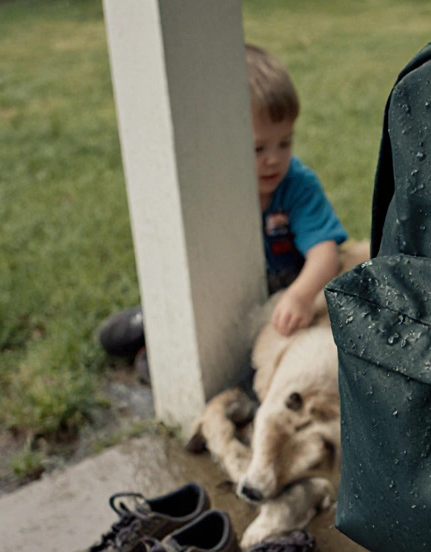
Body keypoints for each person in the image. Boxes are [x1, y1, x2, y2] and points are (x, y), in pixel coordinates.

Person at [98, 43, 348, 379]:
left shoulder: (297, 185)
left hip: (277, 297)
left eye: (285, 142)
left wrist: (301, 296)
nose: (274, 158)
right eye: (258, 148)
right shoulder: (213, 188)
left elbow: (324, 253)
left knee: (252, 351)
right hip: (219, 294)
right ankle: (154, 326)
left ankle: (157, 350)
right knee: (145, 329)